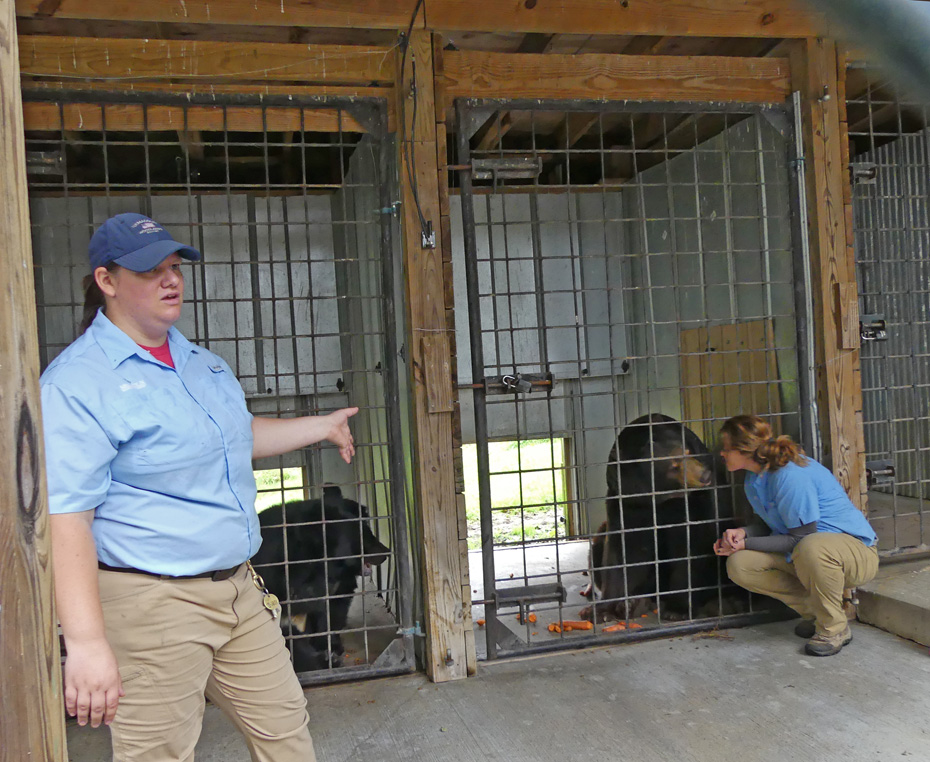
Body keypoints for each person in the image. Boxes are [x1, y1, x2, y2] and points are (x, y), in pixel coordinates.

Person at [41, 212, 358, 761]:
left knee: (286, 734)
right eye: (149, 271)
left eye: (174, 267)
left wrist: (321, 427)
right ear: (106, 280)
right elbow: (67, 517)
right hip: (151, 601)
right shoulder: (77, 383)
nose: (171, 280)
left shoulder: (198, 362)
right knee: (160, 753)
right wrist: (88, 644)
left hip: (236, 588)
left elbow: (231, 437)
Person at [712, 414, 879, 657]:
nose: (721, 454)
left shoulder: (789, 475)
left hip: (853, 554)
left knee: (812, 546)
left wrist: (747, 543)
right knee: (740, 564)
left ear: (743, 449)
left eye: (726, 449)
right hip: (805, 554)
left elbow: (801, 537)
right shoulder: (753, 477)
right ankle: (818, 613)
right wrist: (742, 533)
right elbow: (772, 525)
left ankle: (834, 629)